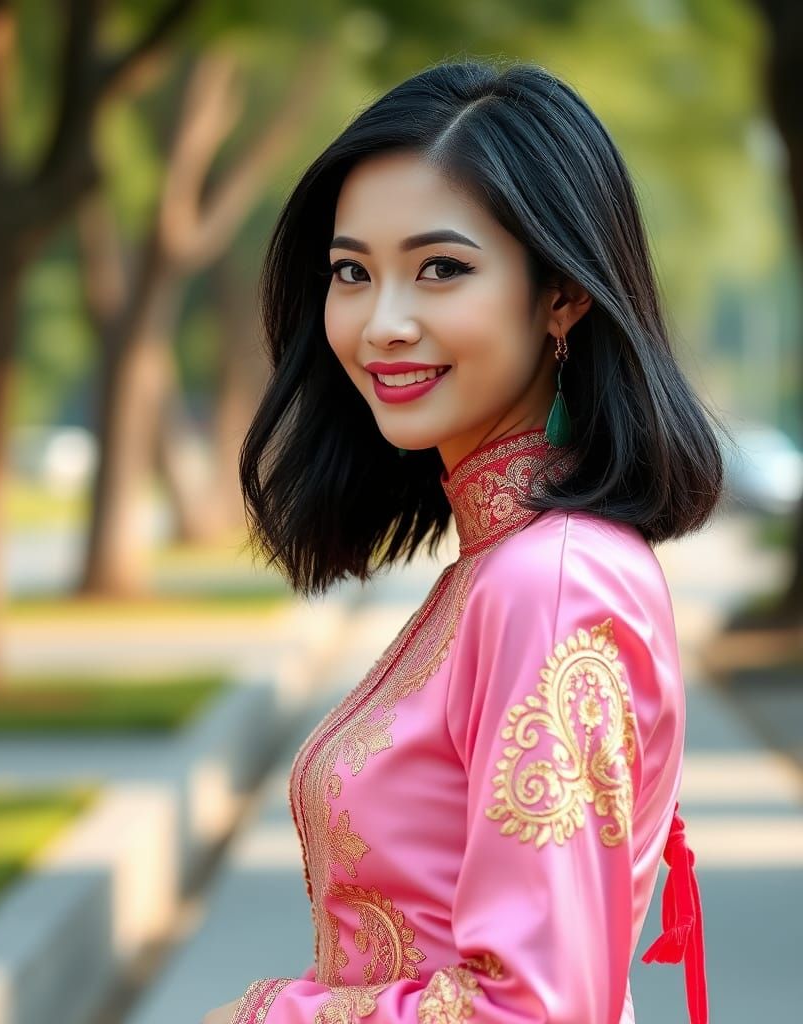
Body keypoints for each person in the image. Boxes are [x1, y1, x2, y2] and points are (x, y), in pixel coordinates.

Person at [212, 58, 724, 1024]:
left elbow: (537, 1011)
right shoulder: (504, 564)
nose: (383, 324)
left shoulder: (552, 582)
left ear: (562, 294)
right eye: (352, 272)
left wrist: (264, 1016)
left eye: (441, 269)